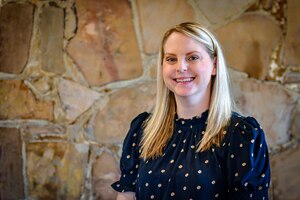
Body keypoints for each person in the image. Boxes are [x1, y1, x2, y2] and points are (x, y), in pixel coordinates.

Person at [111, 22, 271, 200]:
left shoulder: (241, 135)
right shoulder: (142, 130)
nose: (181, 67)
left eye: (192, 57)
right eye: (171, 59)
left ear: (214, 65)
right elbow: (126, 196)